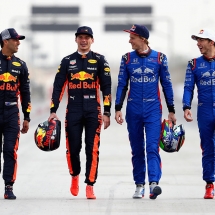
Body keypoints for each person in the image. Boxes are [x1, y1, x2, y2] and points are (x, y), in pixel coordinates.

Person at [48, 26, 111, 199]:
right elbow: (58, 87)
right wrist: (53, 110)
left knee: (92, 149)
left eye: (87, 37)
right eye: (80, 37)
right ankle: (74, 175)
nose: (84, 40)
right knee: (73, 148)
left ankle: (90, 184)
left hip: (93, 109)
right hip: (73, 109)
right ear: (75, 39)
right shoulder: (67, 61)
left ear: (92, 40)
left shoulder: (100, 60)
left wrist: (107, 112)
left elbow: (106, 87)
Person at [115, 24, 176, 199]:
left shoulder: (159, 58)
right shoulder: (126, 59)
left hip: (153, 109)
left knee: (152, 147)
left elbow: (167, 85)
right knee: (137, 149)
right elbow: (121, 84)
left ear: (143, 39)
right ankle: (139, 185)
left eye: (132, 37)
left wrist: (171, 110)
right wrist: (117, 108)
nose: (129, 41)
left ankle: (154, 184)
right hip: (133, 109)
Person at [183, 28, 215, 199]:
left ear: (212, 42)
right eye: (197, 40)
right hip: (204, 109)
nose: (198, 43)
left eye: (201, 40)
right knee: (208, 148)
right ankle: (209, 184)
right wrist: (186, 106)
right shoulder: (193, 64)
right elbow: (188, 87)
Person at [0, 28, 31, 199]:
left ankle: (8, 186)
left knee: (10, 150)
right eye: (15, 40)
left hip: (12, 112)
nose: (18, 43)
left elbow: (26, 92)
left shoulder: (21, 65)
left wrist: (27, 117)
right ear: (5, 41)